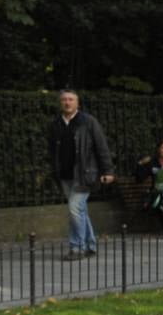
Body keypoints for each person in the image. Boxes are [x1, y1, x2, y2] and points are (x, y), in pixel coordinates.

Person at [46, 88, 114, 260]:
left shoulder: (88, 121)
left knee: (74, 209)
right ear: (60, 103)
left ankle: (77, 248)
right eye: (64, 100)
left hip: (84, 175)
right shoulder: (56, 124)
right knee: (80, 210)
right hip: (65, 175)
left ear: (77, 103)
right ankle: (90, 245)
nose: (67, 102)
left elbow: (101, 147)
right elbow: (52, 150)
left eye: (71, 99)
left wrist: (108, 171)